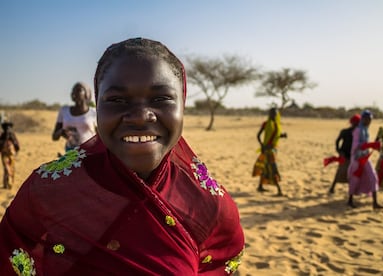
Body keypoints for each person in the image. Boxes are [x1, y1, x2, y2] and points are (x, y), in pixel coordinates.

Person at [0, 38, 244, 275]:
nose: (139, 116)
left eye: (161, 99)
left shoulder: (211, 207)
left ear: (183, 105)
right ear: (99, 106)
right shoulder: (46, 193)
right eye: (117, 100)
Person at [347, 110, 383, 209]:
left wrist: (374, 146)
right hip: (357, 158)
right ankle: (350, 200)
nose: (369, 121)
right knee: (355, 179)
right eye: (367, 119)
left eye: (370, 120)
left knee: (373, 176)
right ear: (363, 119)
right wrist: (370, 145)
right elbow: (355, 146)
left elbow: (366, 145)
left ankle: (375, 203)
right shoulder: (357, 130)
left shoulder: (366, 130)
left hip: (365, 157)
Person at [52, 82, 97, 152]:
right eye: (73, 91)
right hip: (71, 152)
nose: (74, 93)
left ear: (87, 94)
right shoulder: (64, 111)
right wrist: (61, 132)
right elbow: (54, 137)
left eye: (78, 90)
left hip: (90, 151)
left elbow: (102, 137)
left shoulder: (94, 112)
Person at [252, 107, 286, 196]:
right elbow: (258, 135)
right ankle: (279, 190)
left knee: (265, 167)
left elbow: (275, 136)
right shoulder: (266, 124)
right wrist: (262, 145)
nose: (274, 115)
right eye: (272, 113)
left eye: (275, 113)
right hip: (268, 150)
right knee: (273, 168)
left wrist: (282, 135)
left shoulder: (276, 124)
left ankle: (260, 186)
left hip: (273, 149)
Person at [328, 114, 361, 193]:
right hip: (345, 155)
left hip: (354, 155)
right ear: (352, 123)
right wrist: (339, 151)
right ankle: (332, 187)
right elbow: (337, 141)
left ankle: (353, 189)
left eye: (358, 123)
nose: (356, 124)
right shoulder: (345, 132)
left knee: (353, 173)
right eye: (355, 123)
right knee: (341, 171)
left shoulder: (358, 134)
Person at [0, 121, 20, 189]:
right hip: (6, 154)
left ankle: (9, 183)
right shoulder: (4, 136)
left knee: (9, 168)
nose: (8, 129)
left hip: (9, 154)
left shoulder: (11, 135)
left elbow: (17, 145)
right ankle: (8, 183)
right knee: (8, 168)